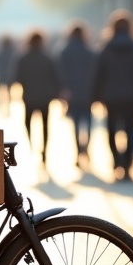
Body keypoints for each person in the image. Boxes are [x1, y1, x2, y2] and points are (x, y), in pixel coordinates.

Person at [93, 13, 133, 182]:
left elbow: (98, 74)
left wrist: (96, 96)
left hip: (110, 97)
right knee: (131, 130)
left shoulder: (106, 47)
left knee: (111, 130)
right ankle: (127, 163)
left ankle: (116, 161)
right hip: (132, 97)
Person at [15, 31, 61, 165]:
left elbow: (17, 77)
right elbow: (56, 77)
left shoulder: (23, 58)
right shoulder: (48, 58)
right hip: (45, 97)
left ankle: (32, 145)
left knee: (27, 122)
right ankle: (44, 151)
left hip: (29, 96)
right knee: (46, 125)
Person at [58, 23, 96, 165]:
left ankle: (77, 151)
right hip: (88, 93)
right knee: (89, 123)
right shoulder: (90, 51)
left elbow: (60, 73)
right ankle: (87, 147)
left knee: (75, 124)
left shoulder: (64, 51)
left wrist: (64, 89)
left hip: (72, 93)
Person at [0, 35, 17, 116]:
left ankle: (0, 107)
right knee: (9, 92)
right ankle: (8, 108)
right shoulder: (12, 52)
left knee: (0, 92)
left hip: (1, 75)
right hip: (9, 76)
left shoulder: (0, 52)